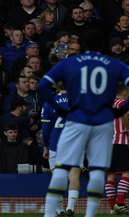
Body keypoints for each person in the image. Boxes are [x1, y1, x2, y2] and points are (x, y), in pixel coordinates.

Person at [37, 30, 129, 217]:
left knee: (62, 171)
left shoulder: (70, 62)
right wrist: (122, 109)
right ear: (103, 45)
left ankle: (53, 212)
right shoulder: (113, 64)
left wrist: (59, 108)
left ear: (84, 45)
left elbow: (42, 86)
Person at [41, 83, 81, 217]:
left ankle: (60, 210)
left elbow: (45, 129)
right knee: (74, 176)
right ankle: (70, 208)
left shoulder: (49, 103)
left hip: (56, 145)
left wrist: (45, 147)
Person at [105, 84, 129, 215]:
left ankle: (113, 208)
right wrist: (128, 128)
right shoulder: (122, 103)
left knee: (112, 176)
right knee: (128, 173)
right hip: (119, 142)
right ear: (125, 93)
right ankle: (120, 203)